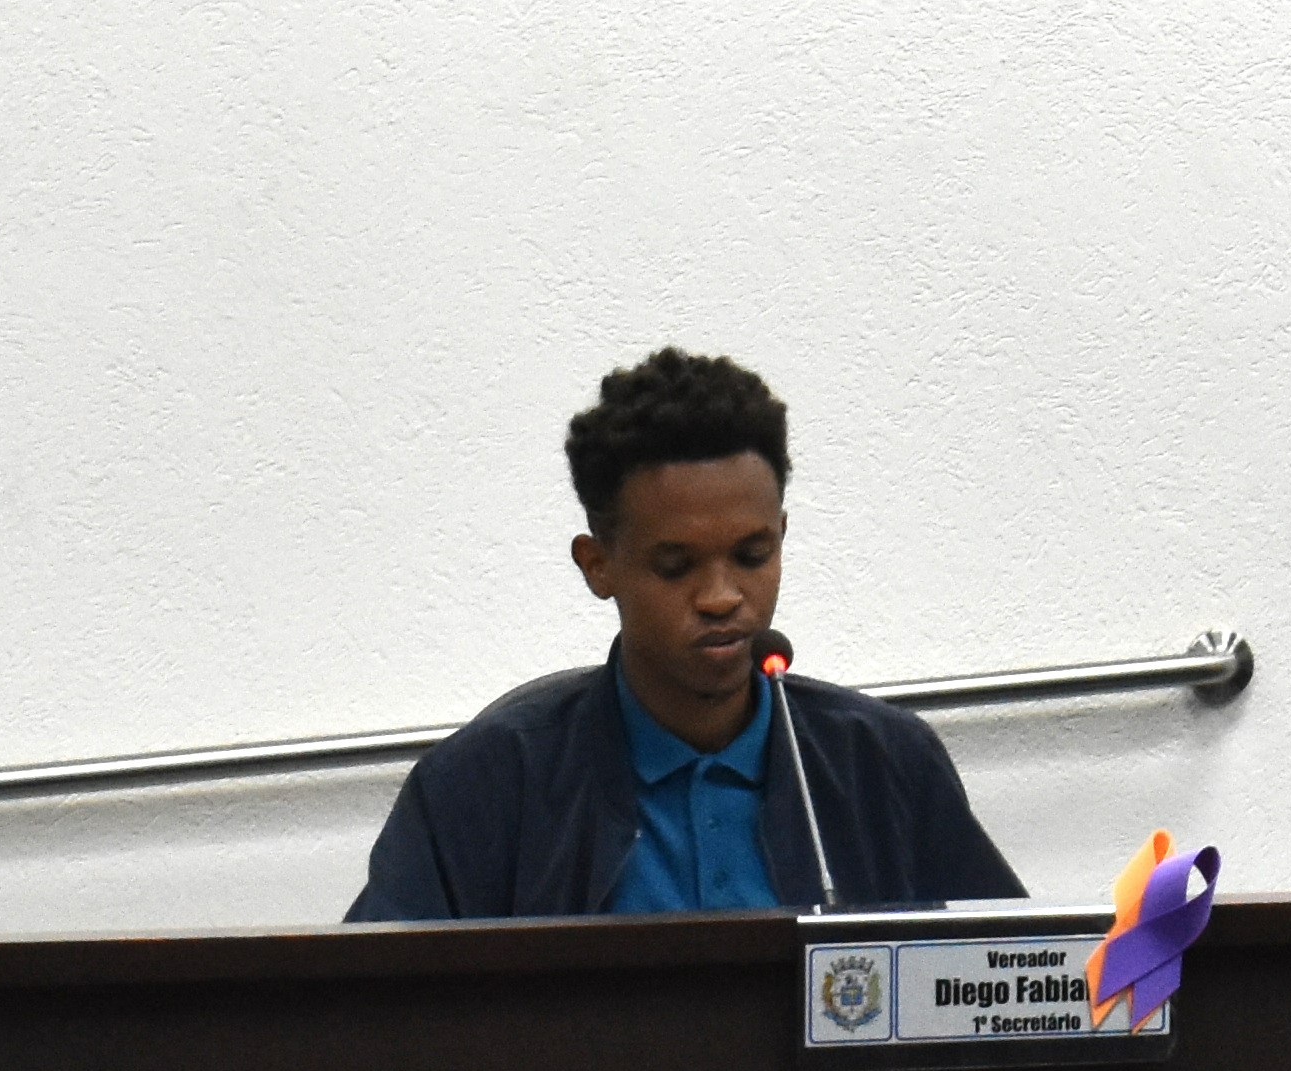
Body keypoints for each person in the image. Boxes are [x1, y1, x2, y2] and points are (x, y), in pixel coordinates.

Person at [350, 350, 1022, 920]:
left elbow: (1015, 987)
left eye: (753, 556)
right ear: (597, 564)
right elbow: (373, 1014)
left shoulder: (885, 766)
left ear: (782, 536)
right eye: (676, 567)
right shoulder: (484, 787)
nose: (722, 596)